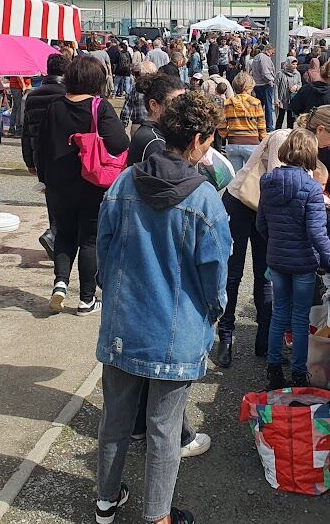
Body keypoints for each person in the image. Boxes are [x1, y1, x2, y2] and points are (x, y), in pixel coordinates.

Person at [93, 91, 229, 524]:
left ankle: (106, 504)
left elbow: (104, 249)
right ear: (198, 140)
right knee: (165, 430)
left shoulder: (123, 183)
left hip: (123, 321)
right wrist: (214, 312)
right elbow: (215, 277)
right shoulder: (205, 199)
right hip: (177, 329)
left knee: (115, 421)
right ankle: (158, 518)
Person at [211, 105, 330, 368]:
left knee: (266, 275)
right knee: (233, 273)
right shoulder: (283, 139)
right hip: (242, 204)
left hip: (268, 211)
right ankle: (226, 337)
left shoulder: (307, 148)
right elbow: (285, 185)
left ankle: (264, 340)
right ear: (320, 129)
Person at [34, 56, 129, 315]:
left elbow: (40, 147)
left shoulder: (54, 107)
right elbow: (120, 143)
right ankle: (87, 299)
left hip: (58, 186)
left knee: (63, 234)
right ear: (96, 80)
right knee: (89, 240)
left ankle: (60, 284)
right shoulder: (100, 107)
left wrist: (44, 179)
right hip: (92, 184)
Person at [258, 128, 330, 389]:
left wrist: (275, 242)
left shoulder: (267, 181)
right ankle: (298, 372)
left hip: (276, 258)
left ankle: (274, 370)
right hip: (304, 261)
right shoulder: (310, 187)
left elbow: (261, 223)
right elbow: (316, 233)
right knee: (299, 318)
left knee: (278, 315)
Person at [22, 54, 68, 175]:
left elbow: (26, 132)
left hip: (39, 153)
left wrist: (29, 161)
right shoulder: (69, 94)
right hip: (65, 153)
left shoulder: (32, 96)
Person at [128, 73, 186, 164]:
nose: (181, 107)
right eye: (175, 102)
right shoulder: (154, 141)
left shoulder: (155, 133)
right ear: (154, 105)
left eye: (184, 100)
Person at [218, 72, 266, 172]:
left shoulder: (227, 103)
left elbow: (221, 124)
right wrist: (262, 139)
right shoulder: (255, 102)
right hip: (252, 143)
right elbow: (261, 125)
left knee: (235, 177)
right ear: (249, 87)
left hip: (233, 143)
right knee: (251, 176)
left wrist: (226, 135)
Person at [121, 61, 157, 136]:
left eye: (137, 73)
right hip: (153, 126)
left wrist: (123, 124)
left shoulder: (136, 88)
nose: (135, 76)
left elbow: (127, 107)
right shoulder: (159, 87)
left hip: (139, 125)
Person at [251, 44, 277, 132]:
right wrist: (272, 81)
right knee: (269, 107)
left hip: (257, 84)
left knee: (258, 107)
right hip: (265, 85)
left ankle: (256, 124)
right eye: (273, 52)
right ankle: (269, 126)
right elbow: (265, 73)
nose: (273, 54)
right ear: (269, 50)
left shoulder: (256, 57)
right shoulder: (264, 58)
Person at [275, 58, 302, 130]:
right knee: (279, 119)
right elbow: (276, 86)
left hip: (292, 99)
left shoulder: (297, 74)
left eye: (296, 64)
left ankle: (289, 135)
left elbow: (300, 84)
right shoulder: (280, 73)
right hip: (282, 99)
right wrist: (276, 99)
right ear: (288, 64)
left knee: (290, 120)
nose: (295, 66)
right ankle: (277, 134)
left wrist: (296, 87)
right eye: (293, 64)